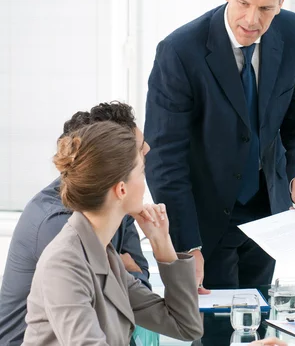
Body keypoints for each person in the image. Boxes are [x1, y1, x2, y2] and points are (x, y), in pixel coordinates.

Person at [144, 0, 295, 291]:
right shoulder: (180, 51)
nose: (252, 20)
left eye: (266, 8)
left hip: (269, 217)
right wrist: (187, 244)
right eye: (243, 3)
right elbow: (165, 157)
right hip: (206, 223)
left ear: (282, 1)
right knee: (215, 335)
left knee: (258, 330)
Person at [22, 121, 204, 345]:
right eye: (142, 171)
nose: (146, 182)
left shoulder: (105, 255)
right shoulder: (64, 263)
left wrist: (162, 244)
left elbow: (186, 327)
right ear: (121, 189)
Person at [0, 102, 150, 346]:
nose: (148, 151)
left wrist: (127, 274)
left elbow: (138, 283)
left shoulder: (115, 205)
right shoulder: (57, 224)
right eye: (138, 149)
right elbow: (113, 305)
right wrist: (124, 275)